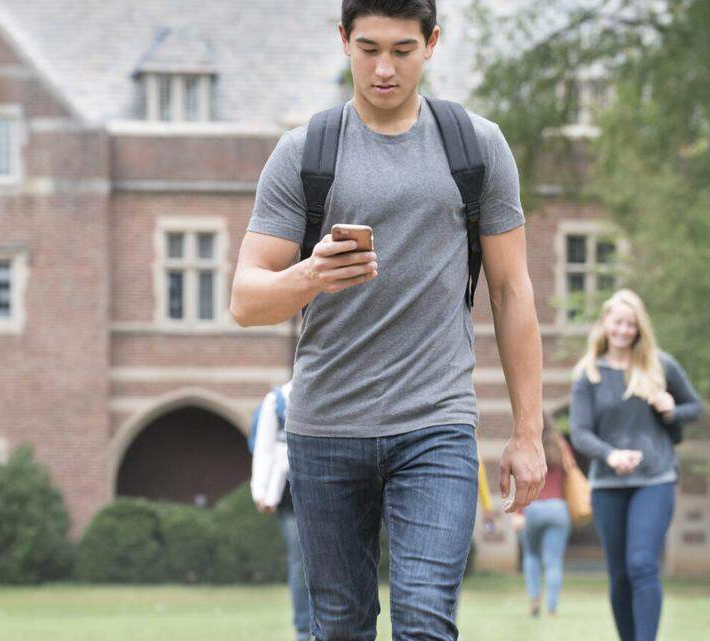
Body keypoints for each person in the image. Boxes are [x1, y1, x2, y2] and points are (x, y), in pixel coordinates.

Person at [229, 1, 547, 638]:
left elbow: (513, 293)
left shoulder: (476, 149)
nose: (383, 69)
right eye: (368, 48)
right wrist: (311, 274)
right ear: (343, 39)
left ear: (432, 43)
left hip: (436, 422)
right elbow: (245, 299)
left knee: (426, 620)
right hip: (325, 427)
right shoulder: (304, 154)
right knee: (341, 626)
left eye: (402, 50)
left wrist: (528, 432)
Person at [569, 289, 704, 641]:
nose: (624, 330)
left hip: (655, 479)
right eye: (618, 322)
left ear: (639, 328)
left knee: (642, 564)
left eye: (631, 324)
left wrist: (671, 408)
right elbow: (580, 433)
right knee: (619, 573)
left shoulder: (660, 365)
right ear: (604, 324)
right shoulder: (588, 375)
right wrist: (610, 454)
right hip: (607, 485)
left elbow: (695, 408)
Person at [250, 379, 312, 641]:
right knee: (301, 562)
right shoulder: (277, 401)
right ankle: (303, 630)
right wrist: (260, 492)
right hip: (289, 495)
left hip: (326, 487)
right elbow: (262, 449)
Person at [509, 416, 575, 618]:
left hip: (533, 508)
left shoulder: (528, 447)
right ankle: (552, 609)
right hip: (557, 508)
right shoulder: (561, 445)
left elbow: (519, 479)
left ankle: (535, 600)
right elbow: (571, 472)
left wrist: (518, 512)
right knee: (553, 561)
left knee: (532, 556)